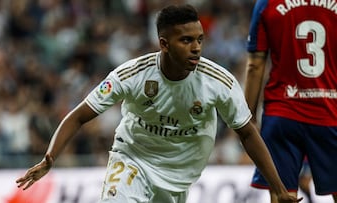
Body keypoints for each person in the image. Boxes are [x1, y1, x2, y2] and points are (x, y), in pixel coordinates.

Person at [16, 4, 301, 203]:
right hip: (132, 161)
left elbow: (248, 132)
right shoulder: (133, 74)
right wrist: (50, 158)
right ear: (164, 44)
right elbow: (78, 116)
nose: (197, 47)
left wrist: (277, 188)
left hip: (178, 178)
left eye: (200, 39)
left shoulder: (218, 82)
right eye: (186, 40)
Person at [244, 0, 337, 202]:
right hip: (330, 112)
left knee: (282, 195)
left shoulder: (267, 3)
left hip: (282, 113)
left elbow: (255, 66)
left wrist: (246, 120)